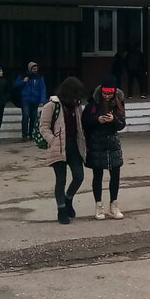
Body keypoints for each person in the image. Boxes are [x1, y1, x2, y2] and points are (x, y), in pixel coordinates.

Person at [41, 76, 86, 225]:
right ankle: (61, 210)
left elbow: (80, 125)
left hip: (74, 146)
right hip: (58, 146)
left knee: (79, 176)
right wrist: (52, 140)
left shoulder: (76, 106)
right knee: (61, 179)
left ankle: (68, 199)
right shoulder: (52, 105)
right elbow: (44, 126)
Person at [82, 75, 126, 220]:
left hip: (112, 144)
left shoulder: (119, 102)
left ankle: (114, 204)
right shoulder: (93, 104)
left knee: (115, 175)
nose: (107, 96)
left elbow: (121, 124)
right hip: (96, 143)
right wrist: (97, 120)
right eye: (105, 93)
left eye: (110, 93)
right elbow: (85, 122)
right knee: (98, 176)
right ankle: (98, 205)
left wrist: (113, 120)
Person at [13, 61, 47, 140]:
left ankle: (31, 134)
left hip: (35, 100)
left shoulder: (39, 77)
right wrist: (23, 81)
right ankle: (24, 135)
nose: (35, 70)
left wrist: (42, 100)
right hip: (25, 99)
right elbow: (15, 85)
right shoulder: (23, 76)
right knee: (26, 115)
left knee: (33, 117)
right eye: (33, 69)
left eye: (36, 68)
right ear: (30, 69)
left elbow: (42, 89)